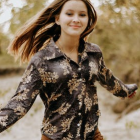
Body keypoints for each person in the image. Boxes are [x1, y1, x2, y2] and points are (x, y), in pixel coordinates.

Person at [0, 0, 138, 140]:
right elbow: (20, 102)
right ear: (58, 18)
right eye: (69, 13)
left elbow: (107, 78)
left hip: (92, 135)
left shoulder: (94, 53)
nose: (76, 19)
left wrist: (125, 91)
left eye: (82, 15)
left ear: (88, 20)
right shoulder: (42, 60)